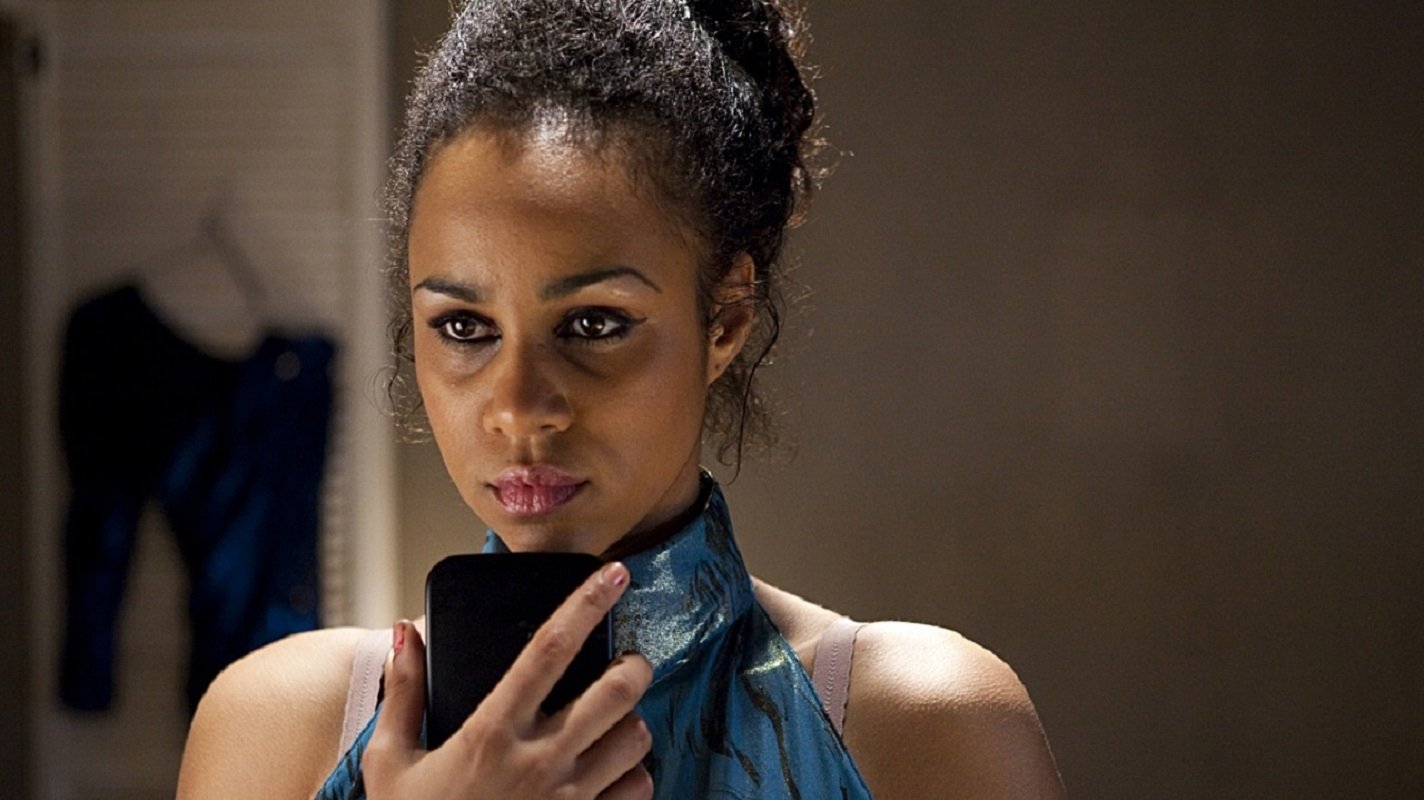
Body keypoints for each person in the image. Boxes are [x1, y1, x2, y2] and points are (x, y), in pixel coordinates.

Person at [176, 0, 1066, 797]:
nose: (519, 407)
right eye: (464, 327)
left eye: (594, 324)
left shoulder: (920, 726)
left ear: (724, 319)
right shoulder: (278, 727)